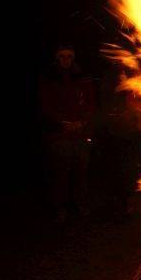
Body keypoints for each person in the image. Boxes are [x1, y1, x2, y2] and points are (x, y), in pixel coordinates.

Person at [38, 44, 97, 222]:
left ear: (73, 58)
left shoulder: (83, 78)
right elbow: (45, 106)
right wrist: (61, 123)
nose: (65, 60)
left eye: (69, 56)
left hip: (80, 133)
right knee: (60, 172)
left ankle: (81, 203)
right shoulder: (49, 79)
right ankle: (61, 207)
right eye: (62, 56)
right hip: (59, 135)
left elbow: (91, 103)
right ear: (57, 59)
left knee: (81, 171)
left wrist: (82, 122)